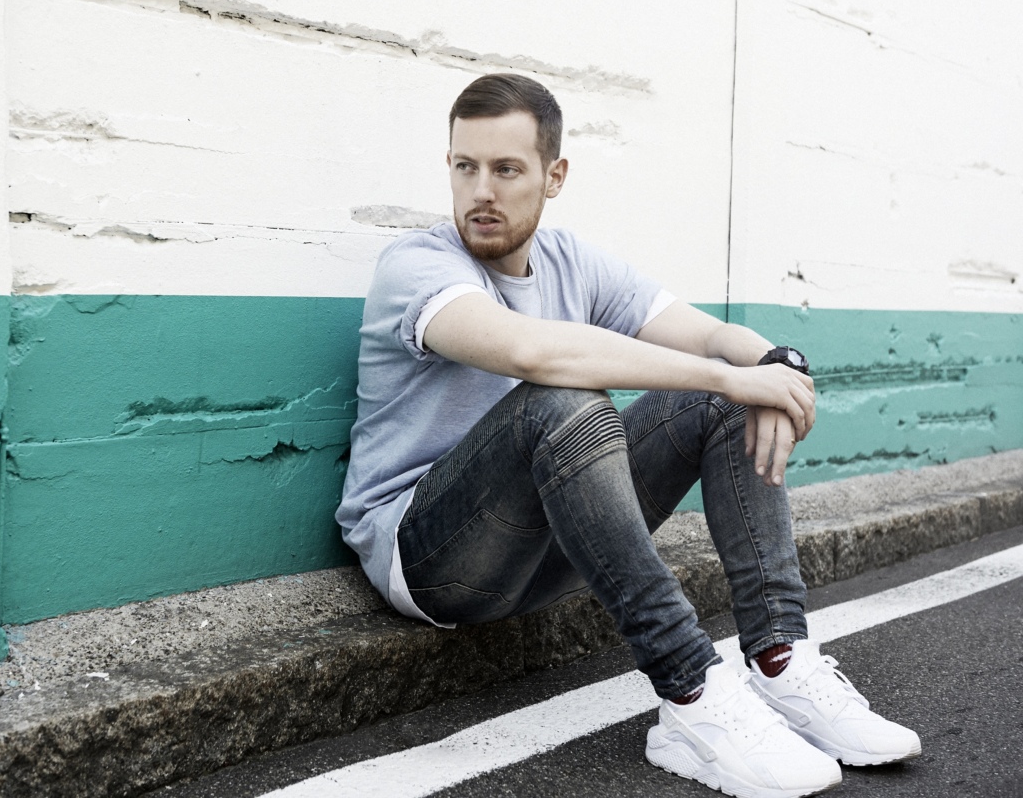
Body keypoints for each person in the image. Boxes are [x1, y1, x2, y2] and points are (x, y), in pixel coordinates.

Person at [337, 73, 920, 797]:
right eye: (465, 166)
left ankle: (781, 660)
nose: (480, 191)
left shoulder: (572, 261)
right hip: (433, 561)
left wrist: (778, 368)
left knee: (720, 401)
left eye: (506, 169)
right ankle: (691, 692)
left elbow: (709, 335)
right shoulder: (417, 267)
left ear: (554, 177)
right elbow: (533, 353)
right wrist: (734, 378)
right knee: (565, 398)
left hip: (545, 551)